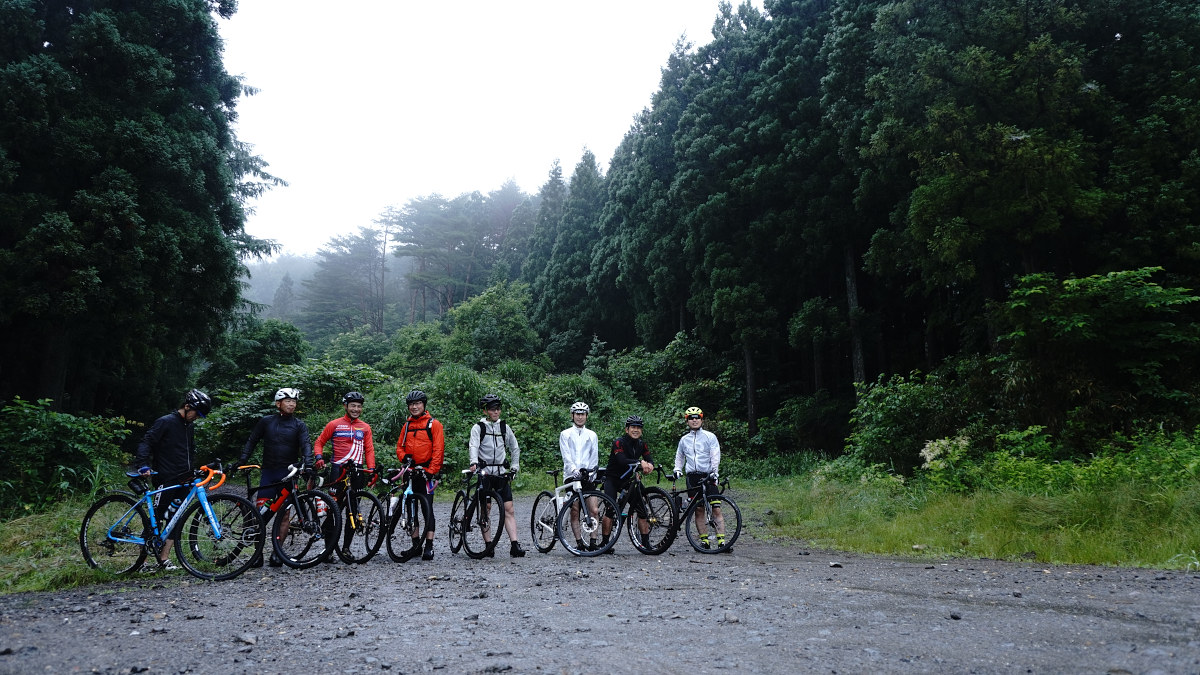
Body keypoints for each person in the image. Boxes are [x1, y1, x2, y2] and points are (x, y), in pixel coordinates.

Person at [132, 388, 213, 572]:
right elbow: (147, 442)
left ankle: (163, 559)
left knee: (175, 518)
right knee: (157, 519)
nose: (197, 418)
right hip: (166, 478)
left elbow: (189, 452)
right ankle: (141, 563)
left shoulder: (189, 427)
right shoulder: (165, 422)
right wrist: (142, 465)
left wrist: (195, 470)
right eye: (196, 414)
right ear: (186, 406)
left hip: (184, 480)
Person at [238, 387, 313, 567]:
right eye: (288, 401)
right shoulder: (266, 422)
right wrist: (242, 460)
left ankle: (277, 552)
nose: (292, 404)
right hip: (269, 473)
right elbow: (252, 440)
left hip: (287, 474)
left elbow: (306, 444)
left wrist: (308, 463)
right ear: (278, 403)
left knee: (284, 515)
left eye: (294, 402)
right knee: (261, 514)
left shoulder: (299, 425)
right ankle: (257, 554)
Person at [314, 391, 377, 560]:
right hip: (338, 470)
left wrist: (371, 469)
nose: (356, 409)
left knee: (353, 511)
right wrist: (319, 457)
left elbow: (369, 449)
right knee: (333, 511)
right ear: (345, 406)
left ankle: (346, 549)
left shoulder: (365, 427)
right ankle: (328, 551)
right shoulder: (334, 424)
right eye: (353, 406)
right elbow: (319, 442)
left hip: (357, 471)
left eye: (359, 406)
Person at [468, 394, 526, 557]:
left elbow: (515, 448)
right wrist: (474, 462)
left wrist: (514, 466)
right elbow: (474, 446)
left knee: (509, 509)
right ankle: (489, 545)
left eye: (498, 409)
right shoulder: (478, 427)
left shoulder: (504, 427)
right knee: (486, 509)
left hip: (500, 473)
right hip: (485, 473)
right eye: (493, 409)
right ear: (486, 411)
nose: (496, 412)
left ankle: (515, 545)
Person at [393, 389, 444, 561]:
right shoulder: (407, 425)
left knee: (427, 508)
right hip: (410, 471)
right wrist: (404, 456)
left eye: (417, 404)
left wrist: (432, 470)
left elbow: (438, 449)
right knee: (410, 508)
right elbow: (399, 447)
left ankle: (429, 546)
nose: (414, 407)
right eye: (411, 405)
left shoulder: (433, 424)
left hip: (426, 471)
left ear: (424, 405)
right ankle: (416, 545)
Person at [673, 406, 728, 550]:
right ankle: (705, 542)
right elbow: (680, 456)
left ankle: (722, 542)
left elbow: (715, 455)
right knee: (699, 509)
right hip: (692, 477)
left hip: (708, 476)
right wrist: (677, 469)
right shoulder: (684, 440)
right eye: (691, 418)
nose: (694, 420)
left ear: (702, 419)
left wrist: (715, 472)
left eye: (697, 417)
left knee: (716, 508)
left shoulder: (710, 437)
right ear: (687, 421)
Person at [600, 415, 655, 553]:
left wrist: (650, 466)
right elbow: (622, 460)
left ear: (641, 430)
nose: (636, 430)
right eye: (633, 427)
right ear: (627, 429)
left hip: (627, 480)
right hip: (612, 478)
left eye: (638, 427)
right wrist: (640, 463)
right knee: (610, 509)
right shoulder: (619, 442)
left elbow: (649, 459)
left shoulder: (642, 444)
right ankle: (605, 543)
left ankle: (645, 543)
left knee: (642, 510)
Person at [559, 401, 599, 551]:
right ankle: (579, 543)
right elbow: (566, 455)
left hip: (587, 476)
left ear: (586, 416)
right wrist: (573, 469)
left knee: (594, 510)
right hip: (571, 475)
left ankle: (593, 542)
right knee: (575, 510)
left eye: (583, 414)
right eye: (577, 414)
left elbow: (594, 455)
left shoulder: (592, 435)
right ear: (572, 415)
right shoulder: (565, 434)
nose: (580, 417)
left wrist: (592, 472)